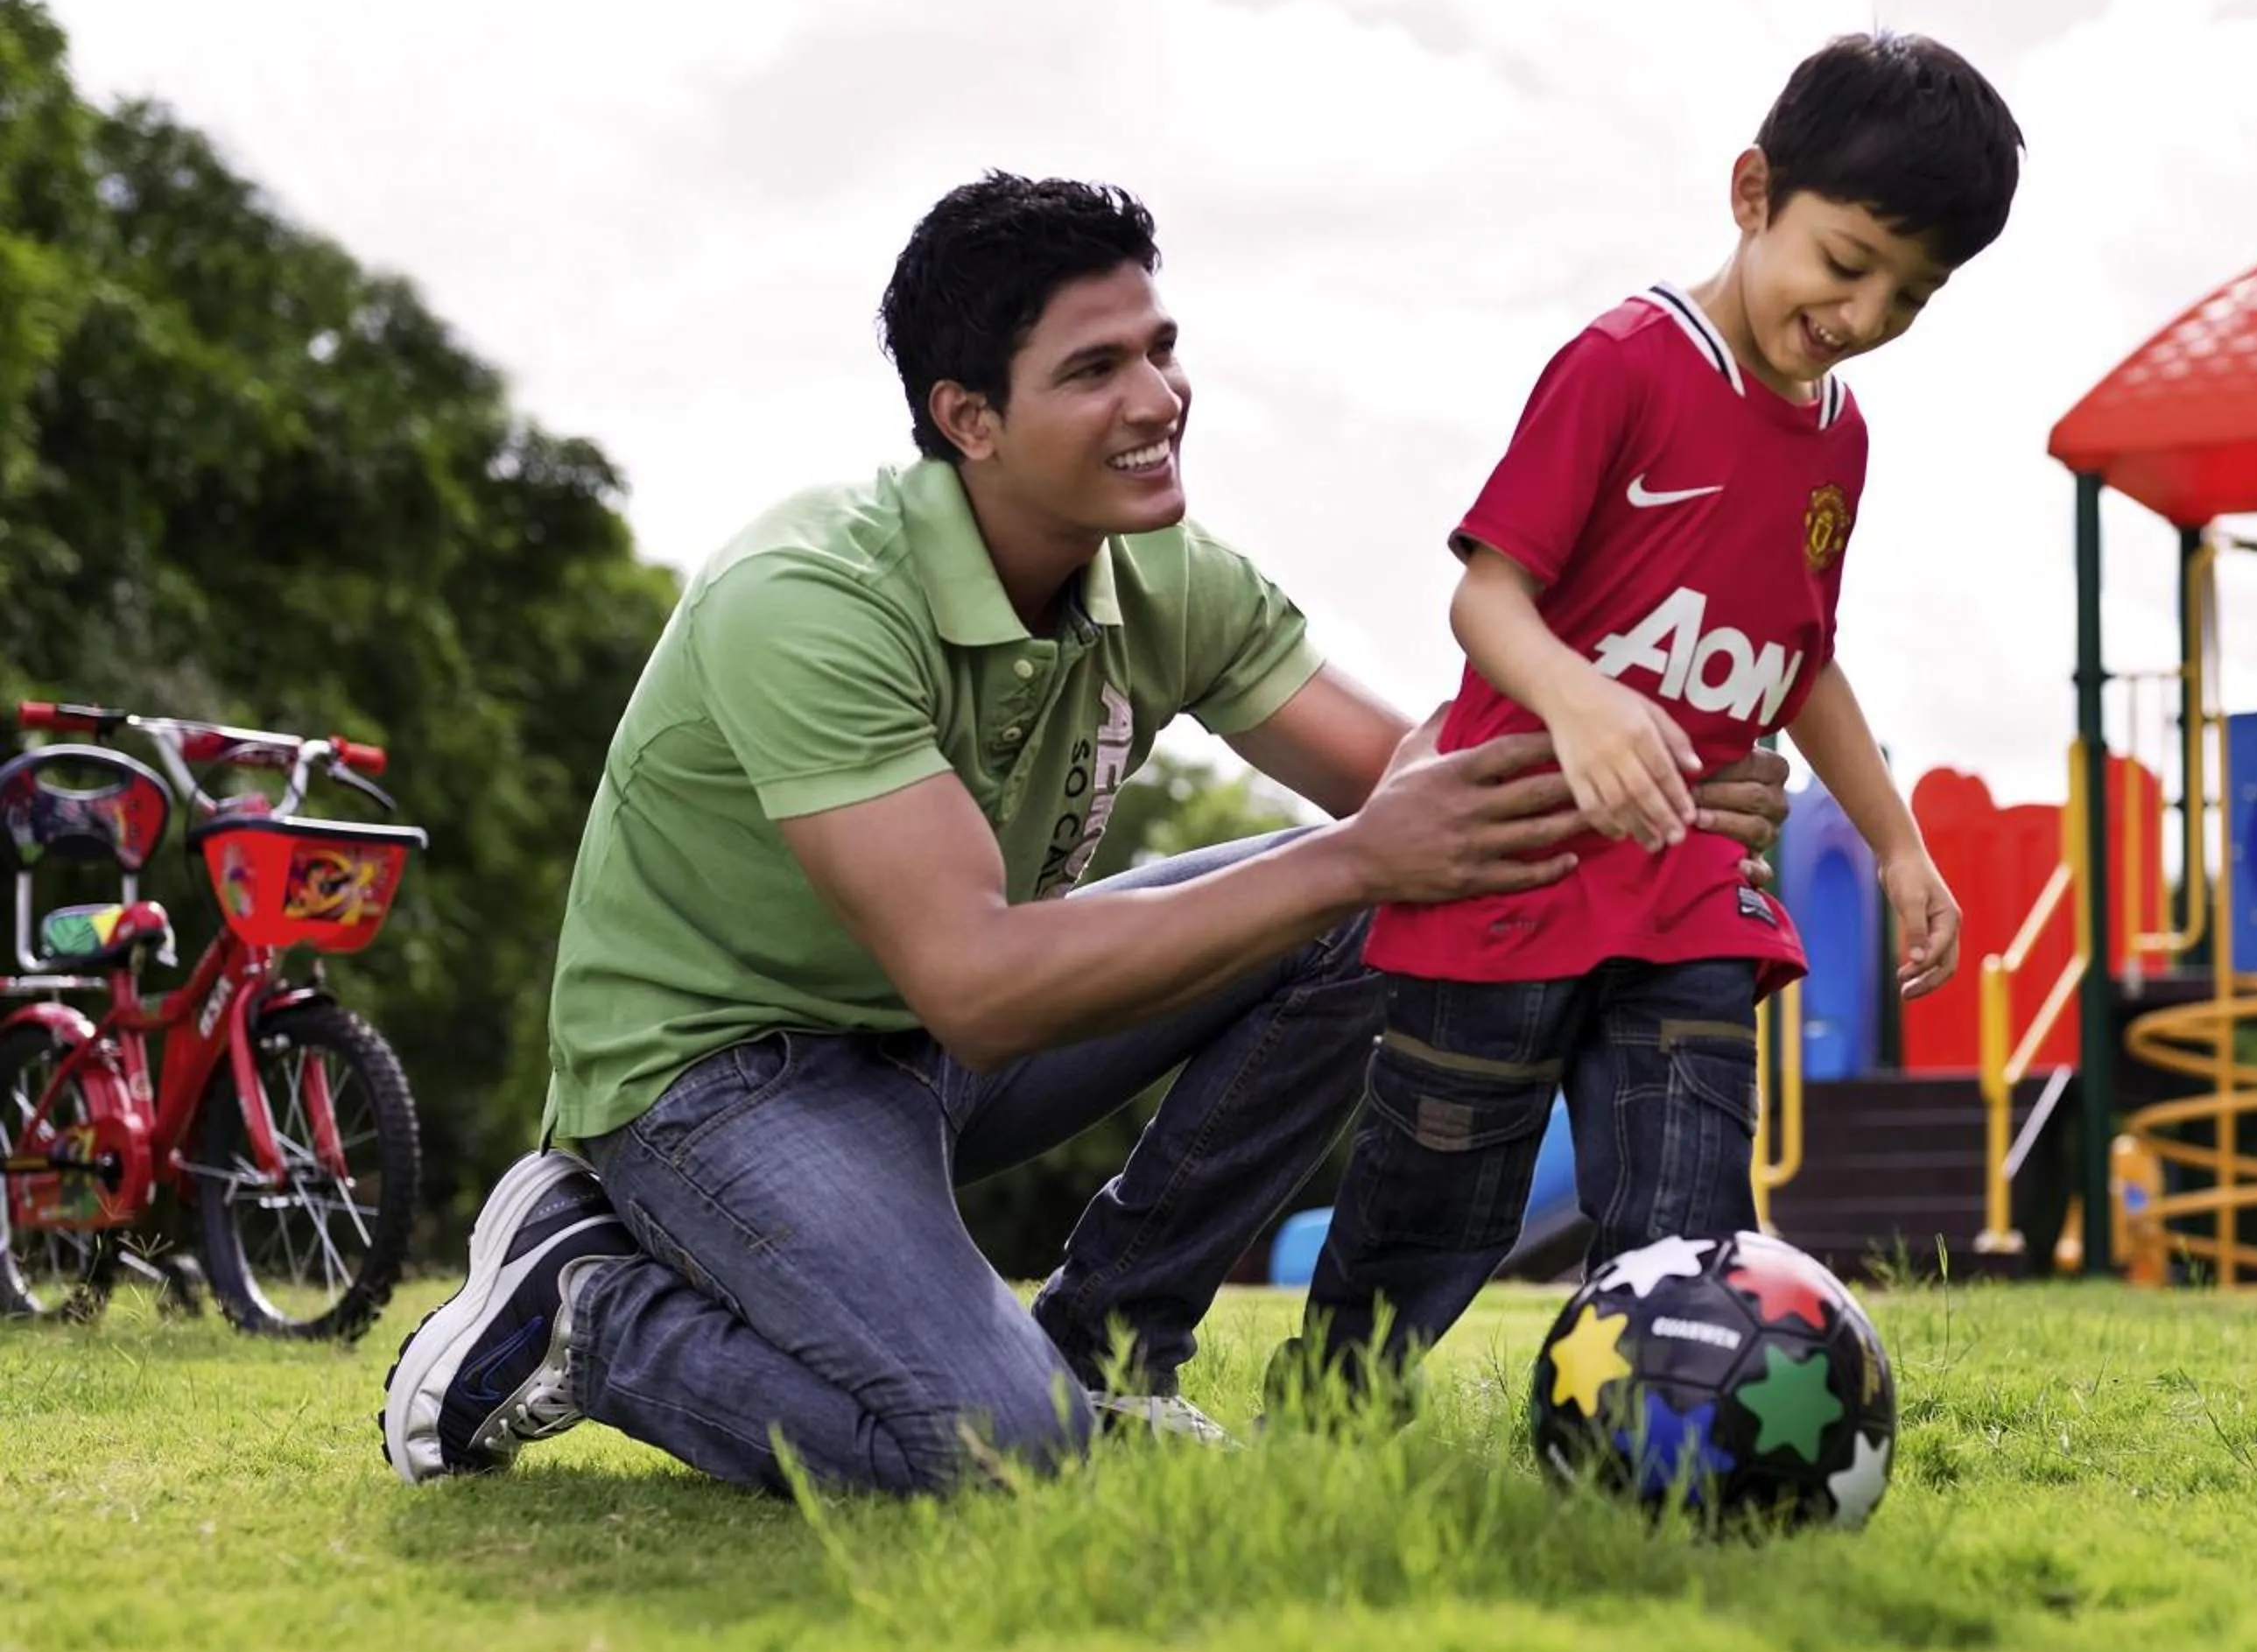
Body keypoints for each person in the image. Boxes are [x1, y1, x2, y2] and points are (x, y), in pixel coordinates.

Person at [378, 172, 1793, 1494]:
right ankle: (583, 1304)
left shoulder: (1161, 570)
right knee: (999, 1450)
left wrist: (1646, 765)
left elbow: (1421, 779)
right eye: (1095, 369)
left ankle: (1114, 1345)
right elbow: (979, 992)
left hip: (921, 1049)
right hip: (719, 1081)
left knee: (1374, 910)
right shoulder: (808, 601)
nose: (1159, 398)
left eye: (1161, 349)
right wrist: (1362, 853)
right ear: (969, 418)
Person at [1273, 31, 2023, 1396]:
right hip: (1506, 871)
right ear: (1753, 194)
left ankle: (1659, 1456)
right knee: (1435, 1209)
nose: (1863, 314)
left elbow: (1806, 658)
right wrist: (1583, 704)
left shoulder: (1838, 440)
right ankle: (1326, 1425)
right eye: (1849, 263)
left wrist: (1899, 846)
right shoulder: (1624, 362)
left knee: (1689, 1227)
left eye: (1911, 297)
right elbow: (1487, 599)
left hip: (1691, 892)